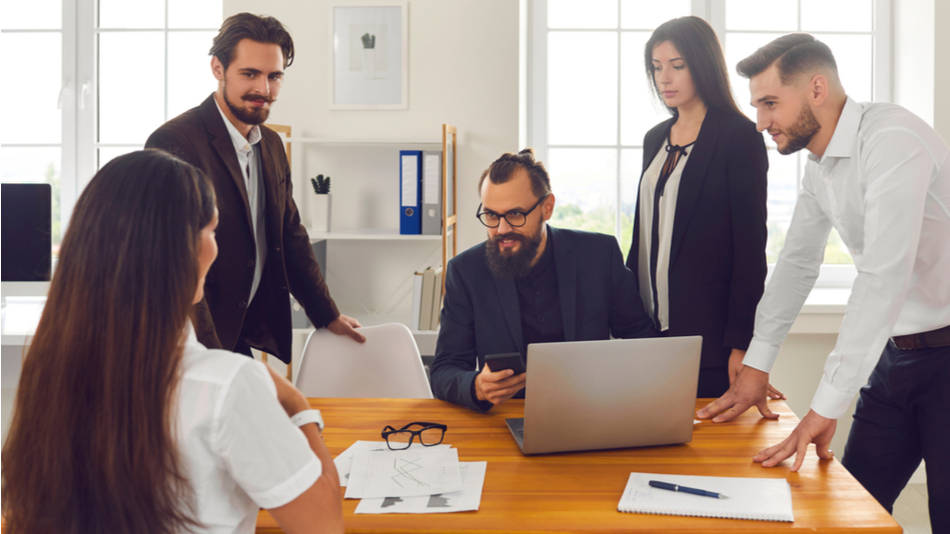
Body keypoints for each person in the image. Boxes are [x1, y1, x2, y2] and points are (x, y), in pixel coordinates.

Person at [1, 150, 343, 533]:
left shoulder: (46, 371)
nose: (217, 248)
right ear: (180, 250)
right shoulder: (226, 385)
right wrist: (298, 407)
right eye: (212, 231)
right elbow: (322, 524)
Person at [697, 34, 950, 532]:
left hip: (948, 354)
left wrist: (826, 405)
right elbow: (796, 264)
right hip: (895, 357)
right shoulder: (820, 166)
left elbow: (882, 277)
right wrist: (755, 365)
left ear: (816, 88)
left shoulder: (892, 140)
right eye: (757, 106)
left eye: (770, 103)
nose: (761, 121)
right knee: (851, 512)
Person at [146, 12, 364, 365]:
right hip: (191, 339)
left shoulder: (273, 145)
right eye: (250, 74)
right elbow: (175, 263)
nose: (264, 89)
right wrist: (214, 361)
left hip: (241, 328)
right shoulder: (175, 141)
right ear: (218, 69)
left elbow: (289, 234)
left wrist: (327, 314)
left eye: (274, 76)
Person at [627, 16, 782, 399]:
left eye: (677, 66)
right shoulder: (654, 139)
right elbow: (644, 235)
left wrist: (742, 344)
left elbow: (749, 251)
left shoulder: (738, 138)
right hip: (645, 334)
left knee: (706, 455)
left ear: (703, 64)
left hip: (708, 342)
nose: (665, 78)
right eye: (657, 67)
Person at [430, 149, 656, 412]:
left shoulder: (598, 255)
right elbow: (444, 370)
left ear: (547, 208)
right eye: (491, 215)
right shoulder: (466, 271)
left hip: (592, 409)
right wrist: (476, 385)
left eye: (515, 214)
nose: (502, 229)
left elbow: (640, 339)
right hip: (508, 416)